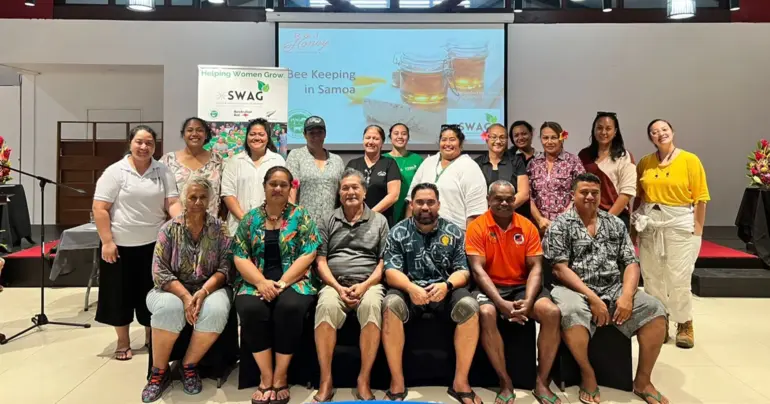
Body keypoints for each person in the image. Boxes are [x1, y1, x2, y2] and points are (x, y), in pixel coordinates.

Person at [544, 173, 669, 404]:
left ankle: (643, 381)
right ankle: (587, 373)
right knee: (571, 312)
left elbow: (631, 262)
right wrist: (592, 298)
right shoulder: (560, 225)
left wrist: (627, 296)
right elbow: (560, 269)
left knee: (656, 310)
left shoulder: (614, 223)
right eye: (584, 192)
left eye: (595, 192)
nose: (590, 196)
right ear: (573, 195)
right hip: (573, 289)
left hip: (612, 286)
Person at [382, 183, 482, 404]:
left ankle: (461, 382)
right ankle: (397, 382)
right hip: (409, 291)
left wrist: (446, 286)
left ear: (438, 204)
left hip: (444, 291)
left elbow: (463, 271)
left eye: (430, 202)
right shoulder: (398, 231)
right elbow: (390, 272)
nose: (425, 207)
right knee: (389, 304)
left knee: (470, 306)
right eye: (419, 202)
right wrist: (411, 288)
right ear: (411, 204)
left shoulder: (453, 231)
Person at [466, 180, 562, 404]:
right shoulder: (477, 226)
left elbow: (536, 267)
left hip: (521, 285)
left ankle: (542, 381)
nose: (504, 203)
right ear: (489, 200)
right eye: (498, 199)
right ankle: (504, 381)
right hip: (490, 286)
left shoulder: (527, 225)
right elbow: (478, 270)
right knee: (487, 313)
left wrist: (528, 301)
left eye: (509, 199)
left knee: (551, 313)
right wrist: (500, 303)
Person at [233, 166, 322, 404]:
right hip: (255, 282)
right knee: (251, 308)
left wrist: (281, 283)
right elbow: (240, 255)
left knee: (289, 308)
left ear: (290, 188)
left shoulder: (301, 216)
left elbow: (309, 253)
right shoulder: (250, 218)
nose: (278, 188)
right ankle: (266, 376)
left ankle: (281, 376)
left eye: (284, 184)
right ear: (264, 186)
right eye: (273, 183)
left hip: (294, 281)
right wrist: (261, 283)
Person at [92, 125, 182, 361]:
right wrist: (107, 242)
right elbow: (100, 209)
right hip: (119, 246)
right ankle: (123, 342)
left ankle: (151, 337)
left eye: (149, 143)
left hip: (154, 245)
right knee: (118, 295)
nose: (144, 147)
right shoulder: (115, 172)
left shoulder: (162, 171)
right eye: (139, 142)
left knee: (151, 293)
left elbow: (171, 202)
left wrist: (182, 222)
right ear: (130, 143)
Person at [142, 177, 233, 403]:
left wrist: (202, 293)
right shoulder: (169, 229)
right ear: (184, 200)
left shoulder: (220, 229)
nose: (198, 202)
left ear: (210, 200)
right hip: (169, 290)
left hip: (209, 287)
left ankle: (188, 365)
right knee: (169, 309)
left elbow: (226, 267)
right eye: (193, 197)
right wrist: (185, 296)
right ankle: (159, 373)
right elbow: (159, 272)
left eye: (203, 197)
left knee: (217, 309)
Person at [313, 168, 390, 402]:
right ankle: (326, 379)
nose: (350, 192)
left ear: (364, 192)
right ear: (339, 193)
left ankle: (363, 379)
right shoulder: (328, 219)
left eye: (355, 187)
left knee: (372, 307)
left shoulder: (379, 221)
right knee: (325, 307)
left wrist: (365, 285)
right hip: (335, 283)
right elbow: (320, 260)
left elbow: (383, 262)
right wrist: (337, 287)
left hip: (369, 283)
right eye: (345, 188)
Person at [633, 119, 709, 349]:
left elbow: (701, 198)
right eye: (654, 132)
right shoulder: (645, 162)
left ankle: (684, 322)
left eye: (664, 130)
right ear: (651, 138)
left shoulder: (689, 160)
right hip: (650, 223)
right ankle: (659, 321)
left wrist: (697, 231)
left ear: (672, 132)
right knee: (652, 275)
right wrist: (633, 227)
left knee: (679, 277)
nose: (660, 134)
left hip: (678, 223)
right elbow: (639, 196)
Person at [406, 125, 487, 231]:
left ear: (461, 144)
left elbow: (476, 212)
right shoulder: (428, 162)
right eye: (444, 140)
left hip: (456, 235)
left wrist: (470, 243)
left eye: (452, 140)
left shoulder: (470, 167)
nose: (447, 144)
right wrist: (408, 231)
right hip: (421, 233)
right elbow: (411, 199)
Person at [221, 118, 286, 236]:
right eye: (252, 134)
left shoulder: (278, 160)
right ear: (246, 137)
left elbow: (283, 192)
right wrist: (246, 220)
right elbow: (228, 193)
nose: (256, 138)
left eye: (261, 134)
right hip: (238, 228)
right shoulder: (234, 161)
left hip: (270, 226)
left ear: (268, 137)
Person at [578, 112, 636, 228]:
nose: (603, 132)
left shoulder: (624, 156)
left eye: (608, 128)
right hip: (587, 217)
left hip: (616, 217)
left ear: (615, 132)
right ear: (594, 130)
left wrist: (606, 221)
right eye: (599, 128)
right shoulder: (584, 155)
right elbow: (578, 187)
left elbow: (627, 192)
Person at [286, 116, 345, 224]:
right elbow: (291, 190)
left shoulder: (337, 160)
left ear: (325, 134)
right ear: (304, 135)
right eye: (311, 133)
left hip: (331, 225)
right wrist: (290, 221)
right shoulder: (296, 155)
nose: (316, 136)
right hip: (304, 224)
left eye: (319, 132)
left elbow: (342, 193)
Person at [528, 121, 585, 234]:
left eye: (553, 138)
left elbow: (581, 191)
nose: (549, 142)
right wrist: (540, 219)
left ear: (562, 138)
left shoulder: (573, 161)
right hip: (539, 226)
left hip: (567, 225)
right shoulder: (533, 163)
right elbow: (528, 196)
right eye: (545, 138)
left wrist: (561, 220)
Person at [160, 117, 223, 217]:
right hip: (177, 225)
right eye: (190, 130)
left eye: (199, 130)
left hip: (210, 226)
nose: (194, 134)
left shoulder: (218, 161)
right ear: (183, 135)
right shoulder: (168, 160)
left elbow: (223, 197)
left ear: (206, 134)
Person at [346, 125, 402, 225]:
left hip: (381, 221)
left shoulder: (389, 163)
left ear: (382, 143)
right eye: (368, 138)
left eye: (375, 139)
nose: (371, 142)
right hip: (354, 222)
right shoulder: (352, 164)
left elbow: (394, 195)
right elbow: (345, 192)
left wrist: (369, 215)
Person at [475, 123, 530, 217]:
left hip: (512, 215)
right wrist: (490, 213)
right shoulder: (477, 163)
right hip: (484, 217)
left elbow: (524, 193)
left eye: (502, 137)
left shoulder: (516, 161)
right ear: (486, 139)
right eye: (494, 137)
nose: (498, 141)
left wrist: (504, 208)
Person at [385, 123, 424, 224]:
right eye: (396, 133)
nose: (400, 137)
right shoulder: (383, 159)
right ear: (390, 137)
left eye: (403, 134)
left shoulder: (417, 159)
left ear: (408, 137)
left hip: (411, 209)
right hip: (388, 209)